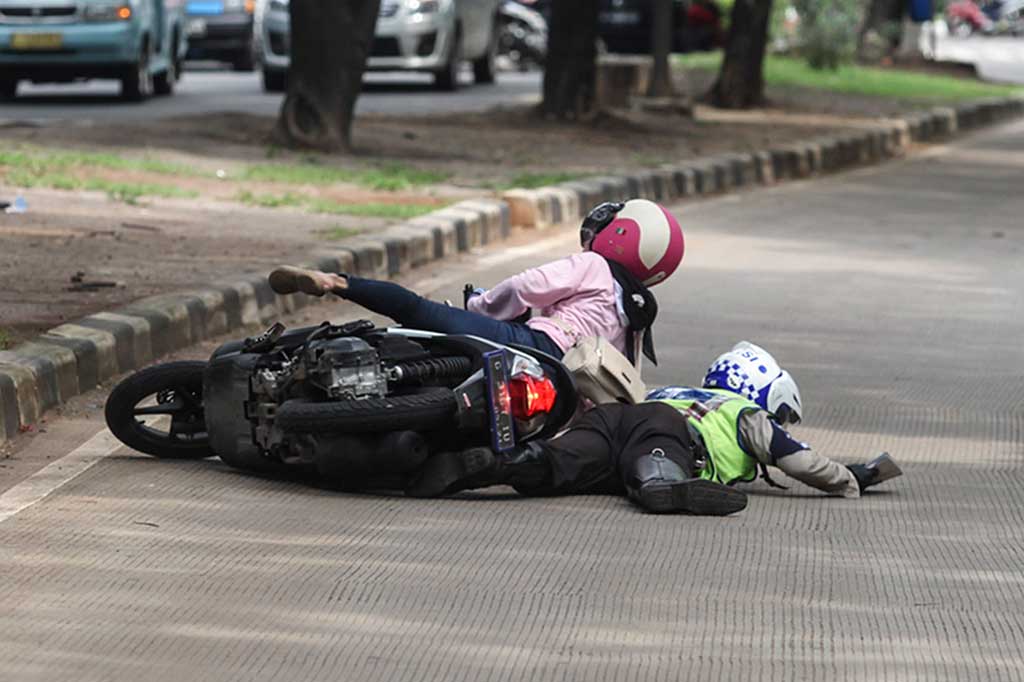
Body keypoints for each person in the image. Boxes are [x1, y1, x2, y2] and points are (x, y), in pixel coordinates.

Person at [406, 341, 902, 514]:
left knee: (560, 464)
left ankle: (493, 464)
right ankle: (662, 488)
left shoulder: (677, 391)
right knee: (659, 461)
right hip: (664, 436)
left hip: (614, 418)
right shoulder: (742, 414)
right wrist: (849, 478)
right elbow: (799, 460)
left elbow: (627, 411)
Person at [267, 199, 684, 363]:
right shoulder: (638, 310)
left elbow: (525, 288)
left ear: (623, 235)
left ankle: (334, 283)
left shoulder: (593, 267)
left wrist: (480, 308)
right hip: (563, 378)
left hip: (537, 344)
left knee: (419, 312)